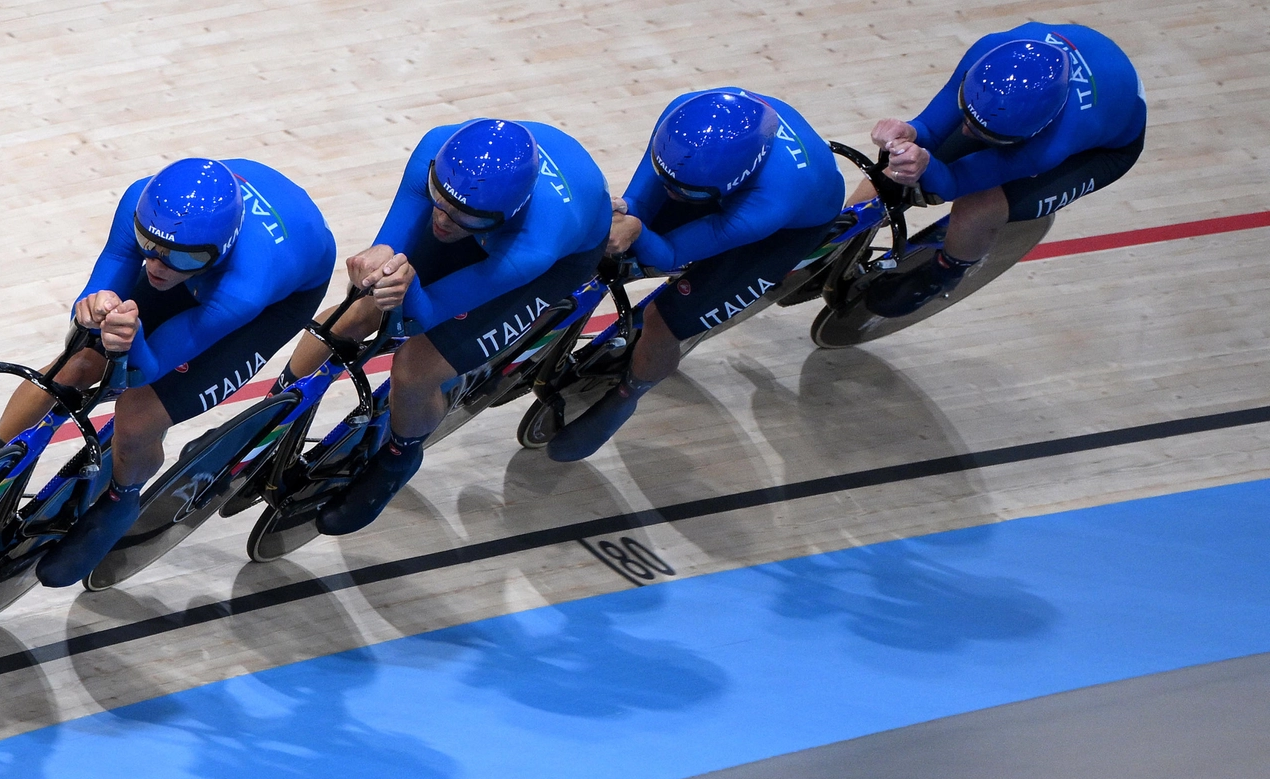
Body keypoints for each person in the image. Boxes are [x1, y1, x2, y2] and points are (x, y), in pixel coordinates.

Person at [0, 157, 336, 587]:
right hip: (208, 257)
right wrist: (93, 307)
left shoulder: (246, 286)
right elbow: (96, 295)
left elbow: (145, 371)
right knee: (76, 364)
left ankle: (121, 500)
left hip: (273, 297)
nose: (157, 267)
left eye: (176, 259)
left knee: (140, 413)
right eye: (148, 247)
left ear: (216, 250)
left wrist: (129, 341)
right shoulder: (144, 211)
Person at [276, 118, 611, 535]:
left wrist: (408, 286)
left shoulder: (534, 246)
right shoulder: (438, 152)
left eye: (462, 215)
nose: (443, 220)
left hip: (554, 260)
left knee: (415, 368)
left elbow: (425, 315)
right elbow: (390, 250)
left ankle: (400, 455)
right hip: (480, 205)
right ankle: (272, 415)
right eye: (439, 198)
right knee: (359, 311)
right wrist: (382, 262)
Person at [545, 88, 846, 461]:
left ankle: (629, 393)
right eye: (668, 180)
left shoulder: (771, 201)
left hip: (783, 230)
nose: (672, 195)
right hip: (712, 183)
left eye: (685, 191)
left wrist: (636, 229)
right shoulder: (682, 119)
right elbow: (639, 203)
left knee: (663, 321)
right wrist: (626, 218)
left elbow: (670, 254)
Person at [855, 23, 1146, 317]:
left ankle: (944, 274)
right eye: (966, 111)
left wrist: (926, 163)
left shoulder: (1051, 145)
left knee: (978, 206)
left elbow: (954, 182)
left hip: (1106, 149)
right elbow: (928, 128)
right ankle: (837, 233)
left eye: (984, 132)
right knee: (897, 173)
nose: (966, 132)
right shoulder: (990, 50)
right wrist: (907, 133)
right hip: (1056, 94)